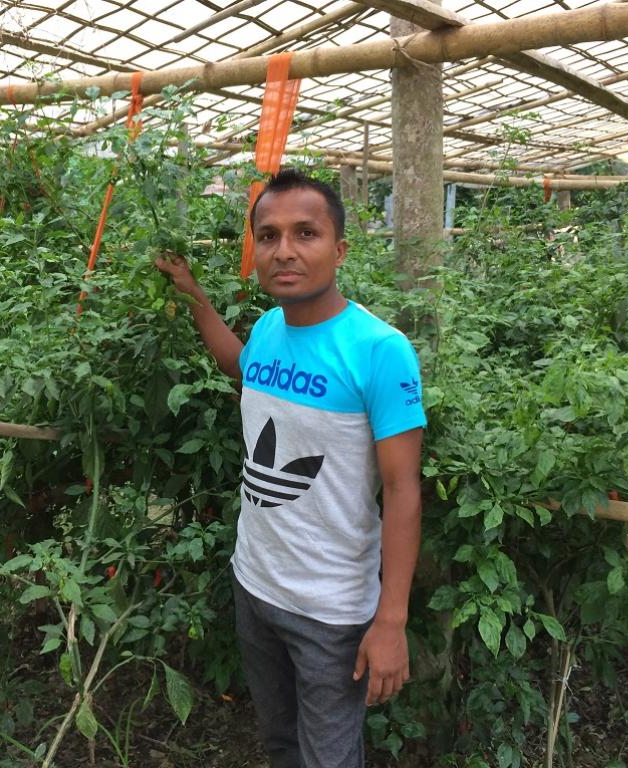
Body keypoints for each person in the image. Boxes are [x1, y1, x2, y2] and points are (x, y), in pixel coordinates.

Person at [156, 168, 425, 768]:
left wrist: (391, 619)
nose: (285, 251)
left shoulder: (379, 351)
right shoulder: (272, 327)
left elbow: (404, 490)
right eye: (269, 235)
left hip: (331, 610)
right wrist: (193, 292)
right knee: (280, 744)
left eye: (306, 233)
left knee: (328, 757)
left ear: (340, 249)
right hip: (255, 582)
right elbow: (242, 367)